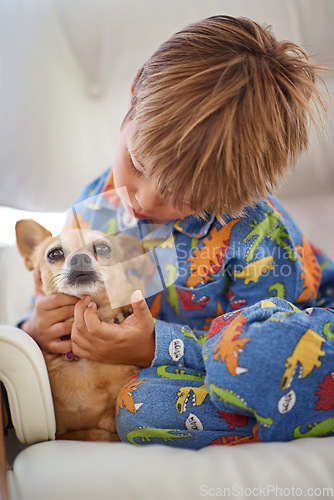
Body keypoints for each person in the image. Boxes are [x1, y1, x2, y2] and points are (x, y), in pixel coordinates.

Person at [21, 16, 334, 448]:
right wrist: (38, 327)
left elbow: (256, 342)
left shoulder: (258, 235)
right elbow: (53, 291)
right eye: (138, 164)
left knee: (257, 356)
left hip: (300, 335)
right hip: (174, 369)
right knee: (138, 407)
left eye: (180, 196)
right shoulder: (93, 210)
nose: (145, 199)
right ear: (133, 95)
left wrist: (154, 347)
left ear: (237, 193)